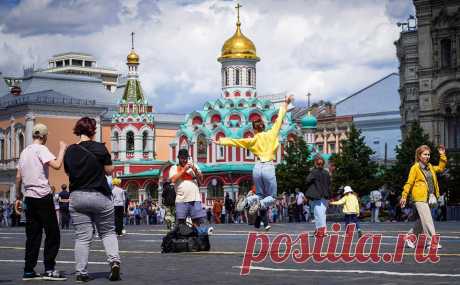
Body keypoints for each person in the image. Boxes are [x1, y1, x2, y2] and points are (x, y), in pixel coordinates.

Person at [216, 95, 294, 231]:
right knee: (272, 197)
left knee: (258, 195)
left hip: (257, 167)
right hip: (268, 166)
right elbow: (280, 119)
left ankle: (246, 201)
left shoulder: (252, 140)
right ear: (263, 127)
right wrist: (286, 103)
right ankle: (258, 204)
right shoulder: (271, 134)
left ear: (254, 129)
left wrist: (221, 141)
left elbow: (237, 141)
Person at [64, 117, 121, 282]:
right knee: (108, 232)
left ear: (77, 130)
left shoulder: (70, 151)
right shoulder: (100, 148)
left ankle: (81, 272)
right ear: (93, 130)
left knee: (83, 237)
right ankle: (114, 261)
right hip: (99, 195)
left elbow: (69, 173)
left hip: (78, 196)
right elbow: (110, 171)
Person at [16, 123, 67, 281]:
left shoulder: (25, 151)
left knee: (33, 235)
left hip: (29, 197)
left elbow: (18, 177)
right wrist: (62, 149)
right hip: (43, 196)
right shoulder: (41, 149)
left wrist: (18, 196)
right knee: (53, 233)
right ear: (44, 136)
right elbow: (57, 165)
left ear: (33, 135)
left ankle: (29, 270)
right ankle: (49, 269)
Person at [400, 145, 447, 250]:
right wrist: (404, 196)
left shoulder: (430, 167)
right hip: (419, 197)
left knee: (422, 221)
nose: (427, 156)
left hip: (429, 198)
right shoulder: (415, 168)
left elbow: (440, 168)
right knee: (428, 220)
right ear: (419, 156)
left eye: (428, 154)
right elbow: (409, 183)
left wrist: (442, 155)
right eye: (425, 154)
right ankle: (432, 242)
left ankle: (409, 238)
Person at [169, 149, 206, 228]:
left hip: (195, 198)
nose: (184, 160)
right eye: (182, 158)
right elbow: (173, 179)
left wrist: (193, 168)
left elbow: (201, 178)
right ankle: (182, 239)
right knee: (181, 222)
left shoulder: (194, 166)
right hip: (181, 199)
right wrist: (184, 170)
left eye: (186, 158)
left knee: (196, 221)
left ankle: (196, 238)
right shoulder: (174, 167)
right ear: (178, 158)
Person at [305, 155, 331, 236]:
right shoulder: (326, 173)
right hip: (325, 196)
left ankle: (320, 231)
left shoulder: (314, 172)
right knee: (323, 215)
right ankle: (322, 230)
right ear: (323, 164)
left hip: (317, 196)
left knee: (318, 214)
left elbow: (307, 180)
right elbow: (329, 184)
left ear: (315, 163)